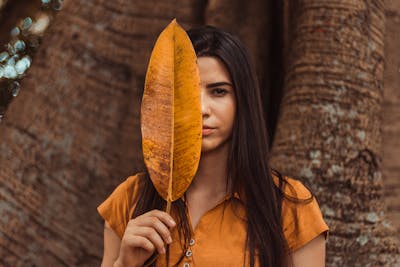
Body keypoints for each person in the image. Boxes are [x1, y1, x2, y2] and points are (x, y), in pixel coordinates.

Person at [98, 25, 329, 267]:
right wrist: (124, 264)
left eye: (218, 91)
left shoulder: (290, 205)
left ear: (243, 100)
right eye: (188, 91)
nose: (201, 109)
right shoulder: (130, 198)